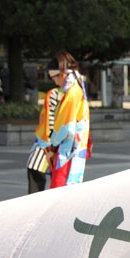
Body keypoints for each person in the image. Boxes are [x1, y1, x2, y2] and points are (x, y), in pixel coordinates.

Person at [28, 51, 90, 192]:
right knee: (70, 188)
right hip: (76, 148)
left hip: (66, 152)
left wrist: (53, 147)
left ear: (62, 74)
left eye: (53, 76)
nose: (54, 81)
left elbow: (66, 126)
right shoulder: (79, 88)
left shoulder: (72, 93)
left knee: (60, 190)